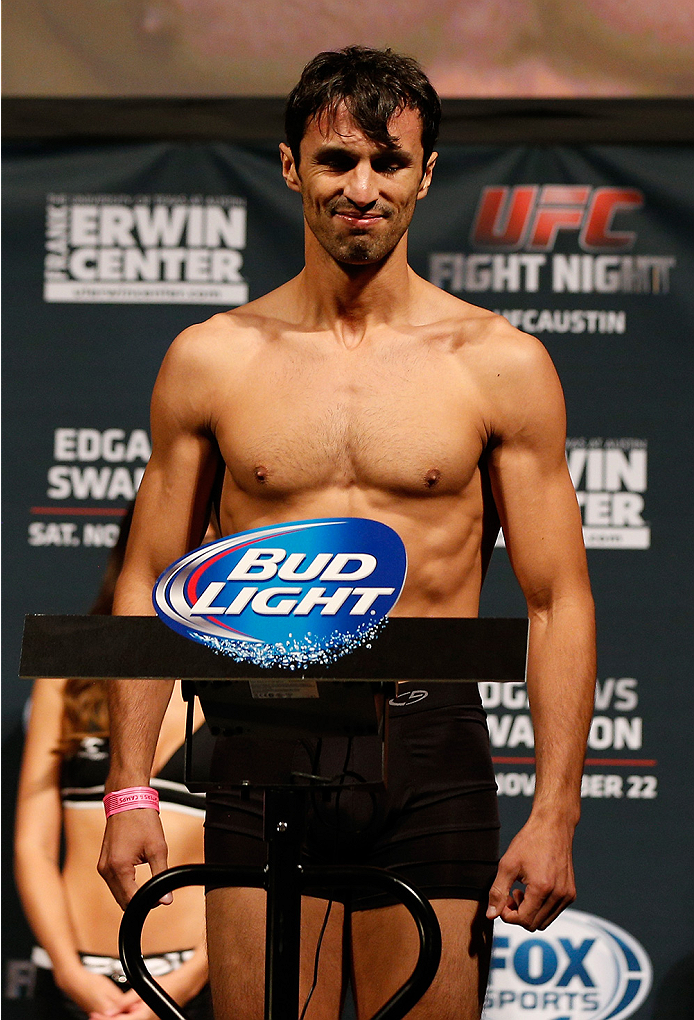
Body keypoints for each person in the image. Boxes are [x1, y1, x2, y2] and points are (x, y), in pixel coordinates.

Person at [98, 47, 596, 1020]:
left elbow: (554, 598)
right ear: (290, 166)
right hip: (258, 742)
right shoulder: (211, 360)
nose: (360, 188)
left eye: (386, 162)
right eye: (334, 162)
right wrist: (128, 791)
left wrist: (556, 809)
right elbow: (149, 578)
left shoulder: (500, 365)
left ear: (425, 173)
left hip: (431, 748)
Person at [14, 508, 213, 1020]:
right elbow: (33, 844)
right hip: (74, 980)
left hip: (195, 980)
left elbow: (265, 858)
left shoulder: (245, 686)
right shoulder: (74, 672)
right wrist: (68, 972)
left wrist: (190, 979)